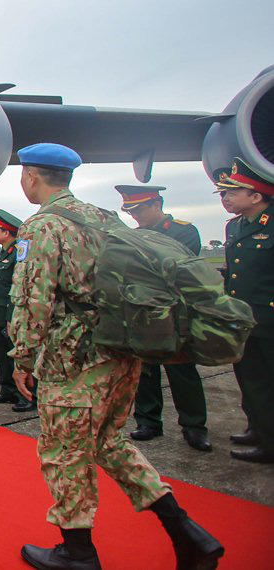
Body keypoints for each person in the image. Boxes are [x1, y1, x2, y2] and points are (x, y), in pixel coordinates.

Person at [9, 144, 222, 569]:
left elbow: (34, 299)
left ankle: (78, 551)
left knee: (63, 451)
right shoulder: (104, 218)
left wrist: (22, 356)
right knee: (109, 442)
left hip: (74, 357)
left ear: (32, 177)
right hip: (121, 347)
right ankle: (187, 533)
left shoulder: (41, 226)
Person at [115, 184, 210, 452]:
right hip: (143, 314)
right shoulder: (134, 236)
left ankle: (194, 426)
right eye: (130, 211)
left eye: (139, 210)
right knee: (144, 372)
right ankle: (148, 421)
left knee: (182, 370)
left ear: (157, 205)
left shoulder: (183, 231)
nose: (135, 217)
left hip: (174, 314)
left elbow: (180, 269)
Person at [217, 157, 274, 464]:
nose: (225, 197)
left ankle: (270, 444)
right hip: (245, 320)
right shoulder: (236, 226)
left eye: (232, 192)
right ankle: (260, 428)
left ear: (256, 196)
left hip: (270, 320)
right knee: (251, 380)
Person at [0, 211, 34, 412]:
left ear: (7, 233)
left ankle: (27, 396)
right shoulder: (4, 251)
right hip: (0, 313)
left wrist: (12, 316)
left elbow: (20, 287)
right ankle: (8, 390)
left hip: (12, 314)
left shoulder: (18, 252)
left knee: (18, 355)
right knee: (2, 353)